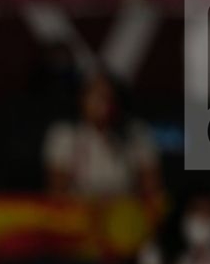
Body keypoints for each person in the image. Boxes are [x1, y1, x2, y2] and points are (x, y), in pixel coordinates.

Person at [43, 72, 160, 204]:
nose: (103, 102)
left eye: (108, 96)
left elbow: (151, 187)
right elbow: (57, 190)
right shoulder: (65, 134)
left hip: (125, 211)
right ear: (81, 98)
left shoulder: (136, 133)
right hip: (80, 210)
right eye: (96, 95)